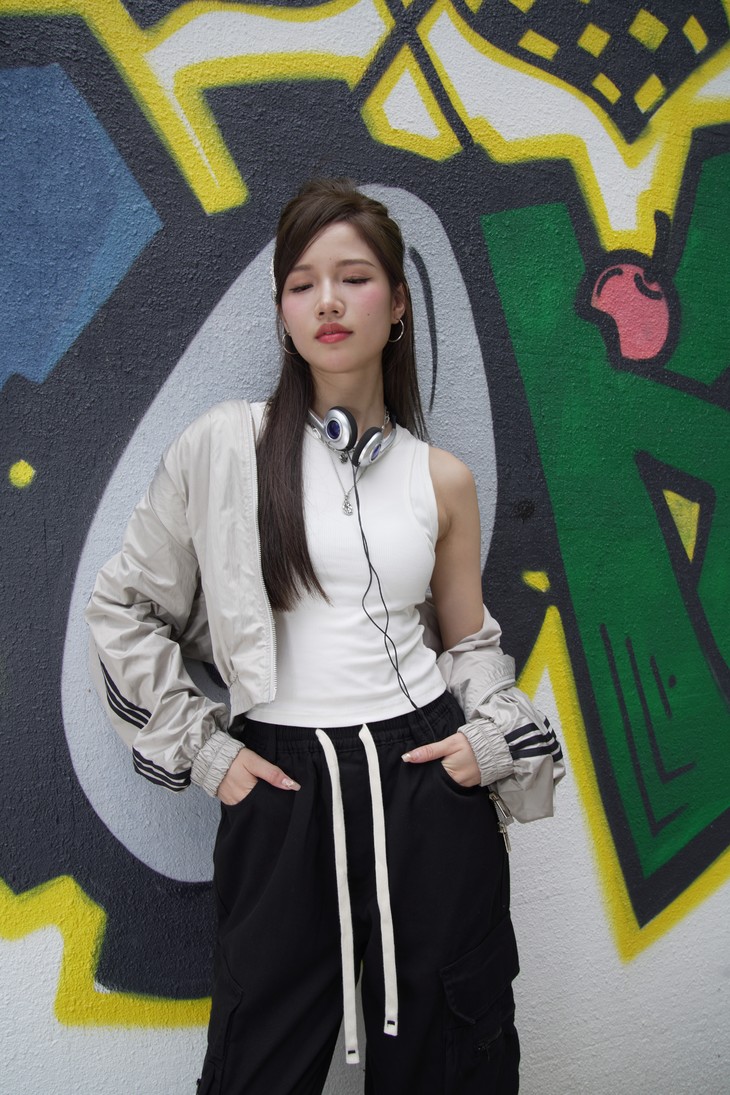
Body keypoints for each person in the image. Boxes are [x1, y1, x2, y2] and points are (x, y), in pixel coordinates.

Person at [86, 178, 563, 1095]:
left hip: (427, 780)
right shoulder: (224, 447)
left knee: (455, 1055)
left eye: (354, 278)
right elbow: (122, 608)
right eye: (302, 284)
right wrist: (206, 751)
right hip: (280, 782)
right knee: (256, 1061)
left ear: (398, 304)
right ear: (282, 312)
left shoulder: (442, 477)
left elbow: (468, 641)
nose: (329, 302)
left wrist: (489, 740)